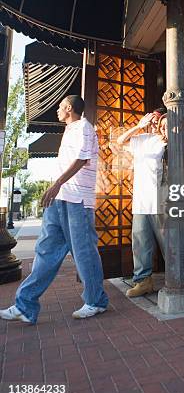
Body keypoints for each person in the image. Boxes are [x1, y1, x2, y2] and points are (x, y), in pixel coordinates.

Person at [0, 95, 108, 324]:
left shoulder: (84, 127)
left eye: (60, 107)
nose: (57, 110)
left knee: (84, 251)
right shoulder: (69, 130)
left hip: (77, 200)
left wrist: (56, 183)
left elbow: (81, 159)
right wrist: (56, 188)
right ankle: (25, 305)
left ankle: (96, 301)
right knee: (46, 251)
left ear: (69, 108)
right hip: (59, 200)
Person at [117, 113, 184, 297]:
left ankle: (183, 275)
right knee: (140, 242)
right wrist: (139, 126)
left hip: (162, 199)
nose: (157, 125)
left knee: (168, 240)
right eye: (154, 121)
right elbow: (120, 141)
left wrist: (179, 134)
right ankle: (143, 281)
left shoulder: (172, 143)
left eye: (161, 123)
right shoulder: (142, 139)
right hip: (141, 199)